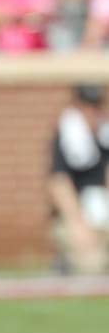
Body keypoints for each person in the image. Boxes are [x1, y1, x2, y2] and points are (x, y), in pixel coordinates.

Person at [48, 84, 109, 275]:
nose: (90, 112)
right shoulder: (66, 136)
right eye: (85, 106)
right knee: (91, 266)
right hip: (77, 217)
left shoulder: (103, 135)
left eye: (95, 106)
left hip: (102, 214)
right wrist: (79, 226)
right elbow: (59, 183)